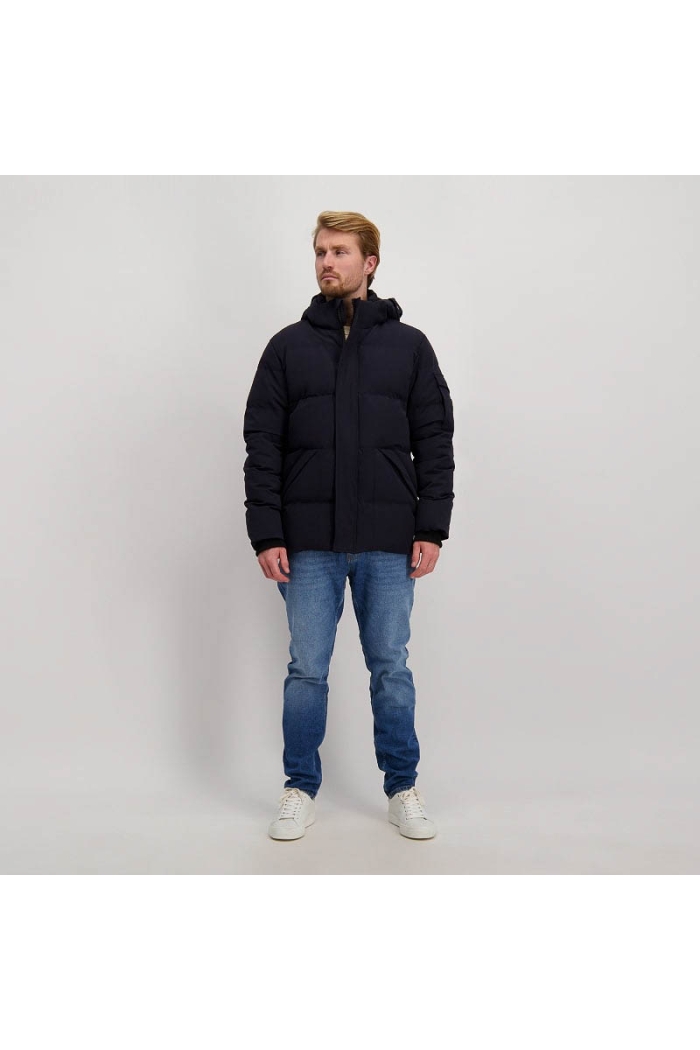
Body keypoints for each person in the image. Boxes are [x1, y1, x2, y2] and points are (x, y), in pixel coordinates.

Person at [243, 210, 455, 841]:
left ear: (370, 262)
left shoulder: (409, 346)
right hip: (308, 544)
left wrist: (431, 527)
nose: (326, 262)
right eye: (320, 252)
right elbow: (262, 444)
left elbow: (435, 441)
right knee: (307, 670)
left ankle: (402, 787)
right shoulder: (287, 347)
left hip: (389, 543)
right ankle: (299, 788)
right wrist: (267, 533)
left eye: (339, 251)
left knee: (390, 667)